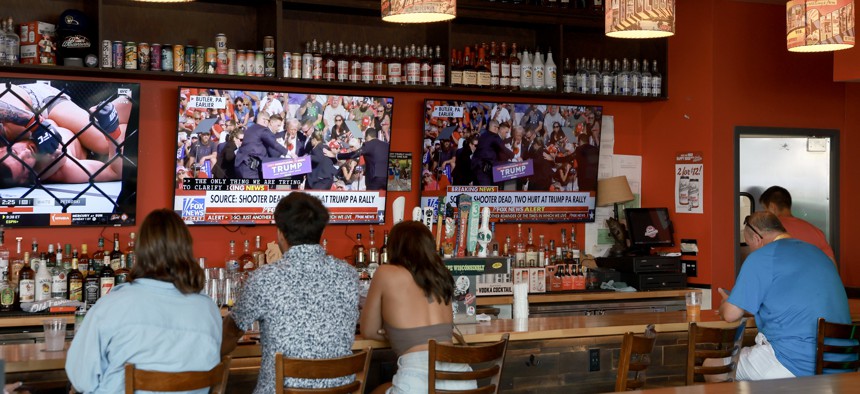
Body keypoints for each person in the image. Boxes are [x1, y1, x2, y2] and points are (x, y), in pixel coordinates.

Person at [65, 209, 221, 393]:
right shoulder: (208, 309)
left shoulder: (112, 305)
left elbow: (82, 379)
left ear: (140, 251)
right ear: (186, 249)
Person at [222, 192, 359, 393]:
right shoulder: (348, 275)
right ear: (320, 231)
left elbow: (231, 332)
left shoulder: (264, 278)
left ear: (280, 233)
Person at [717, 211, 850, 380]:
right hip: (843, 363)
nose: (752, 250)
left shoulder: (762, 256)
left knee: (713, 369)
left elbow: (730, 315)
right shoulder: (819, 254)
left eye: (750, 245)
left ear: (757, 239)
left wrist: (726, 303)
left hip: (793, 362)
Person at [361, 221, 475, 393]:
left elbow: (368, 331)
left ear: (394, 247)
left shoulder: (385, 272)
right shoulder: (441, 275)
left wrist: (395, 332)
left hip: (416, 382)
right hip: (462, 383)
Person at [759, 186, 835, 261]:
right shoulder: (817, 232)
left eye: (764, 208)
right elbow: (832, 265)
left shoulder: (768, 231)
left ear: (772, 207)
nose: (764, 213)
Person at [471, 120, 514, 186]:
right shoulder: (494, 137)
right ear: (495, 128)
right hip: (484, 171)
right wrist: (513, 155)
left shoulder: (482, 136)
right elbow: (503, 149)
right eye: (498, 128)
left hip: (476, 169)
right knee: (487, 193)